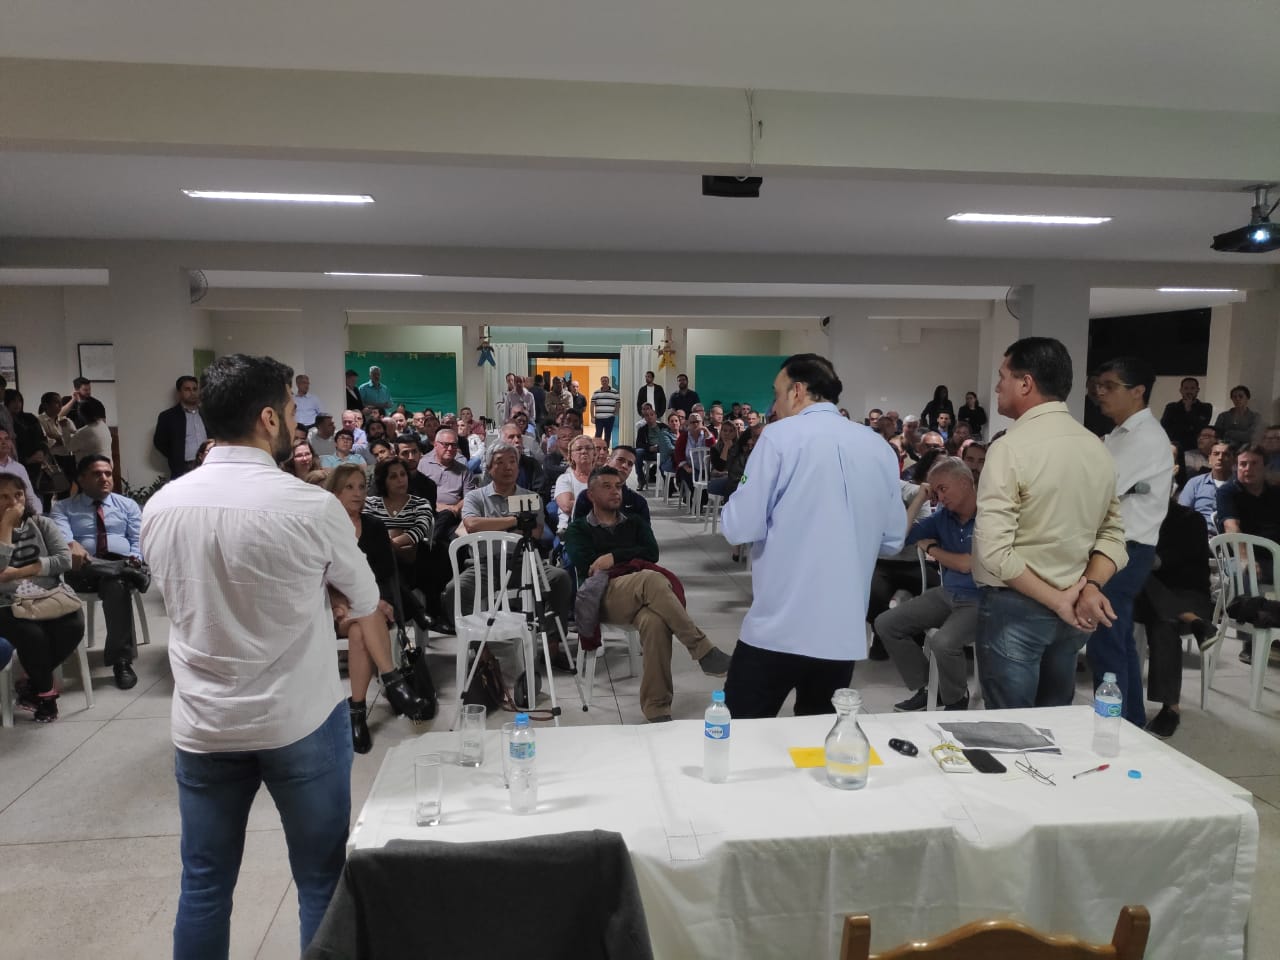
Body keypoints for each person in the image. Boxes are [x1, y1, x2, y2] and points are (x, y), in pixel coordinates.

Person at [141, 354, 430, 957]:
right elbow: (367, 598)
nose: (298, 422)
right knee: (321, 880)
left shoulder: (163, 504)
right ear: (269, 419)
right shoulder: (309, 506)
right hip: (298, 718)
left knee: (203, 885)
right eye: (293, 410)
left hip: (204, 721)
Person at [721, 354, 906, 718]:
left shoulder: (779, 438)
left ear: (798, 391)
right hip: (841, 632)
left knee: (741, 729)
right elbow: (892, 538)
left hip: (780, 627)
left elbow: (740, 527)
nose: (774, 406)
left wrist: (736, 501)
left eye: (777, 394)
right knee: (818, 736)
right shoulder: (877, 447)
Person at [972, 338, 1128, 711]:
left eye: (1003, 377)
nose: (997, 387)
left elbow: (994, 551)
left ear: (1026, 383)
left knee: (1011, 725)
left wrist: (1059, 600)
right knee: (1056, 720)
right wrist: (1089, 587)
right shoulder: (1095, 446)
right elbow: (1112, 535)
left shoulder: (1010, 447)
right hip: (1073, 604)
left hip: (1018, 607)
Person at [565, 466, 730, 721]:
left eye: (618, 486)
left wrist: (613, 556)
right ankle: (703, 650)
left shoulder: (635, 522)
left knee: (655, 622)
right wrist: (628, 557)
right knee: (651, 578)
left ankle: (657, 708)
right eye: (607, 486)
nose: (615, 491)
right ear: (591, 495)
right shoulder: (579, 529)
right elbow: (585, 563)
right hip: (604, 596)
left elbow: (651, 553)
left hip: (641, 592)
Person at [1087, 356, 1172, 727]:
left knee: (1106, 641)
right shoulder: (1120, 434)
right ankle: (1130, 722)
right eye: (1098, 386)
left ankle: (1114, 726)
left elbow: (1099, 487)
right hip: (1119, 546)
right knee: (1116, 640)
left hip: (1127, 549)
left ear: (1138, 391)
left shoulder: (1145, 437)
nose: (1100, 393)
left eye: (1110, 386)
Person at [325, 464, 422, 754]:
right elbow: (321, 576)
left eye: (361, 487)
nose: (358, 493)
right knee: (365, 614)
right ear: (335, 493)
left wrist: (376, 599)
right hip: (336, 607)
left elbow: (384, 574)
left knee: (360, 632)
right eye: (349, 487)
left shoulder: (375, 526)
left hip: (373, 604)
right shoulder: (323, 528)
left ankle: (357, 712)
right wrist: (348, 600)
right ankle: (393, 680)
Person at [446, 442, 574, 656]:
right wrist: (515, 521)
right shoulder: (476, 497)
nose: (508, 467)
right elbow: (472, 525)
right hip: (485, 565)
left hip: (525, 562)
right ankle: (480, 651)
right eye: (500, 462)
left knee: (560, 578)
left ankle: (552, 644)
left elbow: (535, 532)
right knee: (454, 590)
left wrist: (492, 525)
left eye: (513, 462)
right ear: (489, 468)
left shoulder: (530, 497)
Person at [874, 457, 979, 712]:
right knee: (886, 623)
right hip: (948, 593)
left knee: (943, 643)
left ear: (965, 483)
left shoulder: (990, 515)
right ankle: (931, 688)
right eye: (935, 491)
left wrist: (932, 548)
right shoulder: (943, 516)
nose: (939, 497)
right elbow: (899, 539)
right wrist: (920, 498)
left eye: (943, 489)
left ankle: (956, 699)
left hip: (981, 598)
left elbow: (967, 564)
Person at [52, 454, 149, 690]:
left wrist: (134, 559)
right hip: (82, 571)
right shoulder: (63, 508)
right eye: (97, 474)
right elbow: (66, 545)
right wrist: (72, 545)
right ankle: (121, 571)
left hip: (121, 566)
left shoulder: (127, 506)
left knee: (116, 584)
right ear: (81, 479)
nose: (105, 478)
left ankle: (121, 662)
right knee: (112, 573)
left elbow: (138, 541)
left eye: (107, 473)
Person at [0, 472, 84, 723]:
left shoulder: (42, 523)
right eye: (3, 497)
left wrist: (20, 572)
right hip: (7, 601)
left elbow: (64, 560)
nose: (13, 502)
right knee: (32, 636)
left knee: (73, 626)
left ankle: (32, 683)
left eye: (18, 494)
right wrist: (6, 527)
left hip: (49, 594)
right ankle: (46, 696)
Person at [1136, 491, 1214, 738]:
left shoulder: (1191, 520)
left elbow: (1161, 561)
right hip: (1147, 597)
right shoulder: (1139, 516)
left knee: (1163, 621)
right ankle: (1195, 623)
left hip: (1189, 595)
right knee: (1139, 576)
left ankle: (1171, 709)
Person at [1216, 444, 1280, 664]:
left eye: (1254, 464)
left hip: (1274, 558)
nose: (1247, 468)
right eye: (1243, 464)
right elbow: (1231, 527)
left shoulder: (1275, 494)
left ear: (1265, 467)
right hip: (1235, 557)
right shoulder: (1228, 492)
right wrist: (1246, 559)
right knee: (1245, 573)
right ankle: (1250, 643)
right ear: (1236, 466)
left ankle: (1275, 629)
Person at [573, 445, 650, 522]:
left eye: (630, 464)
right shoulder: (586, 497)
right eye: (620, 460)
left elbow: (645, 529)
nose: (625, 466)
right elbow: (577, 527)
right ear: (608, 460)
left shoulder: (638, 502)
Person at [153, 376, 208, 479]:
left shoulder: (207, 414)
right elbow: (159, 442)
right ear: (179, 393)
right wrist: (176, 456)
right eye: (187, 389)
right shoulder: (168, 416)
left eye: (195, 389)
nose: (192, 393)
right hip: (184, 468)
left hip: (207, 465)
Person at [1178, 438, 1233, 534]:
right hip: (1199, 536)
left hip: (1229, 538)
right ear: (1209, 459)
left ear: (1234, 460)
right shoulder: (1195, 483)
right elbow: (1182, 513)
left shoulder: (1238, 486)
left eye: (1226, 454)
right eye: (1216, 454)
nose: (1220, 458)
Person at [554, 435, 596, 533]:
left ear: (594, 454)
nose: (584, 451)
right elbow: (567, 507)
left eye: (588, 448)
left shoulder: (602, 479)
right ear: (571, 456)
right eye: (579, 449)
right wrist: (600, 504)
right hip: (570, 530)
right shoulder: (564, 479)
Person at [1160, 377, 1213, 455]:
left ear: (1197, 390)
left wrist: (1189, 410)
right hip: (1175, 447)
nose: (1189, 391)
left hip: (1196, 448)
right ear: (1181, 390)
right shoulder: (1171, 407)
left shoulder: (1206, 407)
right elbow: (1165, 426)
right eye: (1186, 388)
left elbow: (1201, 427)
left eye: (1192, 388)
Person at [0, 427, 42, 515]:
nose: (4, 442)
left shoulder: (19, 467)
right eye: (0, 439)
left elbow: (30, 496)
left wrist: (38, 514)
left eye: (7, 439)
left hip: (19, 514)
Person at [38, 390, 77, 480]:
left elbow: (75, 438)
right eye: (56, 402)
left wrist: (56, 437)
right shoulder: (39, 420)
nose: (60, 405)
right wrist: (62, 439)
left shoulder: (65, 420)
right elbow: (46, 441)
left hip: (69, 457)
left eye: (60, 402)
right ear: (46, 405)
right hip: (52, 460)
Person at [64, 397, 112, 465]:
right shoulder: (103, 425)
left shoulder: (84, 432)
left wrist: (64, 427)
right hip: (107, 465)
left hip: (91, 468)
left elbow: (68, 448)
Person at [5, 390, 43, 461]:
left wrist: (41, 451)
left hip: (38, 459)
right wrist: (27, 460)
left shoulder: (30, 418)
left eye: (19, 401)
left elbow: (42, 438)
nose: (17, 404)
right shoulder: (4, 423)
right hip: (17, 460)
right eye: (13, 401)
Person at [590, 375, 621, 443]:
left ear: (608, 382)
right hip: (599, 418)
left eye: (605, 381)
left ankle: (606, 448)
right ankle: (597, 447)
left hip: (610, 417)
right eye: (603, 381)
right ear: (601, 382)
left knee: (608, 435)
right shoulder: (596, 392)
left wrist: (615, 412)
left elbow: (618, 403)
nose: (604, 382)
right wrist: (592, 416)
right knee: (598, 434)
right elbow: (592, 405)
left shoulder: (615, 392)